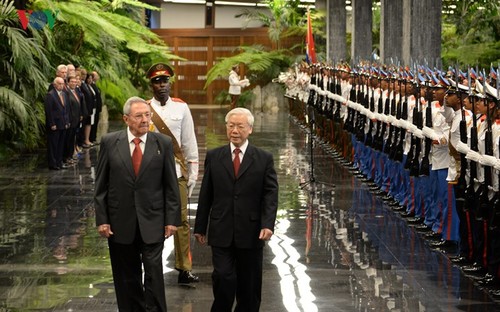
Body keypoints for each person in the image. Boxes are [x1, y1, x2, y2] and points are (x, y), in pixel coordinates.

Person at [94, 96, 181, 312]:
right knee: (126, 276)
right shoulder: (109, 142)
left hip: (153, 220)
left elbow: (171, 185)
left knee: (153, 272)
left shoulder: (163, 143)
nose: (145, 119)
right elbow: (101, 185)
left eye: (147, 115)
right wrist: (102, 220)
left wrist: (172, 220)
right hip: (120, 222)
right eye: (139, 116)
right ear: (126, 119)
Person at [194, 107, 279, 312]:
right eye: (231, 126)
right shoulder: (215, 156)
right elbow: (206, 193)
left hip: (251, 232)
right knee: (223, 276)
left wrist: (267, 224)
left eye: (240, 126)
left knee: (249, 286)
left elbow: (270, 194)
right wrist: (200, 226)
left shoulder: (263, 158)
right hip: (221, 229)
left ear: (250, 129)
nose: (235, 130)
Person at [146, 62, 200, 284]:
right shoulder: (144, 108)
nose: (162, 85)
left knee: (182, 221)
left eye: (165, 81)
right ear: (151, 85)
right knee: (151, 219)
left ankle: (184, 268)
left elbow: (189, 142)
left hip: (176, 172)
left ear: (170, 83)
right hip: (151, 173)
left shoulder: (181, 108)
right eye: (157, 82)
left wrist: (193, 174)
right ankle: (151, 266)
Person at [45, 77, 70, 170]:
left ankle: (59, 162)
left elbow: (66, 110)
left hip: (63, 123)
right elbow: (49, 111)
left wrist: (67, 122)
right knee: (53, 145)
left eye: (63, 84)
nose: (61, 85)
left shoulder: (64, 94)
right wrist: (52, 124)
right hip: (55, 124)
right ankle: (53, 163)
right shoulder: (50, 95)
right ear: (54, 84)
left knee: (61, 144)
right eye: (59, 84)